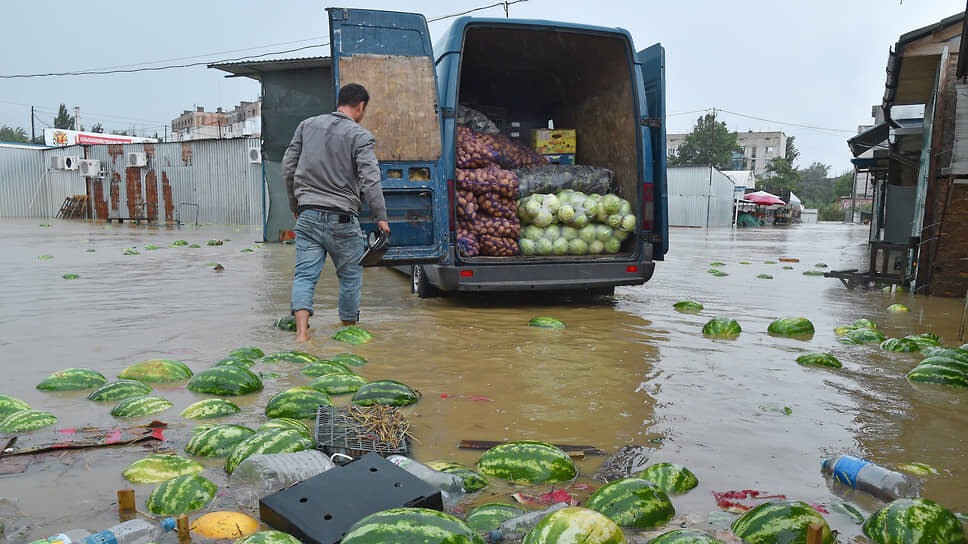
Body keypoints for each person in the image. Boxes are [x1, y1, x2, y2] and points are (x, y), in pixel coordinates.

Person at [283, 83, 391, 343]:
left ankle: (301, 334)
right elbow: (370, 180)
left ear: (339, 101)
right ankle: (348, 333)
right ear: (361, 106)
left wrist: (295, 206)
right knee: (351, 276)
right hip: (342, 219)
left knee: (305, 276)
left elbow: (288, 168)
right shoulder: (360, 136)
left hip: (307, 215)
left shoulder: (306, 126)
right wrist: (381, 217)